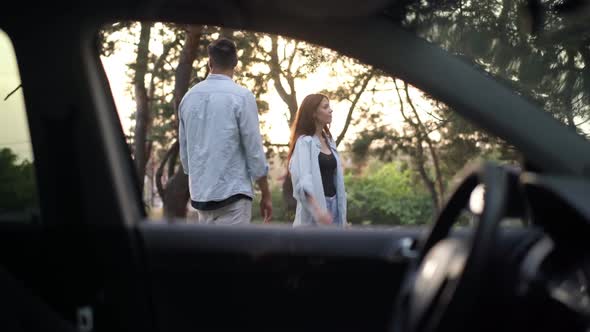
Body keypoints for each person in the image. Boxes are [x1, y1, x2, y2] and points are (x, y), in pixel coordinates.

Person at [179, 38, 272, 225]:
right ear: (235, 64)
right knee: (234, 253)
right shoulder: (242, 97)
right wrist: (266, 194)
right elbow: (253, 149)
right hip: (234, 194)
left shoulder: (188, 98)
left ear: (210, 62)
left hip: (201, 196)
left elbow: (185, 154)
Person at [287, 93, 347, 227]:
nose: (330, 110)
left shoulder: (330, 141)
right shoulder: (304, 142)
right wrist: (318, 211)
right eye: (325, 107)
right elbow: (303, 181)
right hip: (315, 211)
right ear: (313, 113)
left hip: (335, 207)